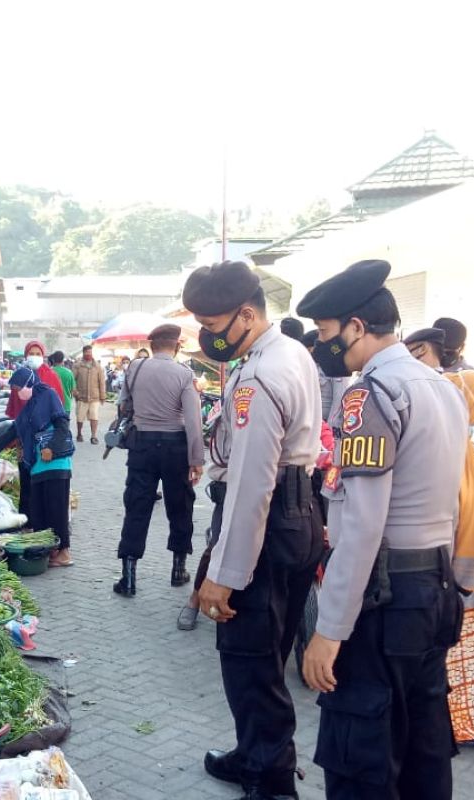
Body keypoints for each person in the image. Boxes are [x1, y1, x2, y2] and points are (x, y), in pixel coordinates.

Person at [298, 260, 468, 800]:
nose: (325, 346)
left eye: (326, 334)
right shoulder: (441, 387)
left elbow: (363, 525)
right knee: (423, 745)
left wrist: (329, 630)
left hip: (383, 600)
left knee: (362, 754)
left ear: (354, 326)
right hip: (433, 589)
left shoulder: (368, 395)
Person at [178, 263, 323, 799]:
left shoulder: (261, 374)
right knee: (268, 648)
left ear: (246, 314)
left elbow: (249, 483)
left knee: (249, 658)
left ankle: (271, 779)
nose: (208, 334)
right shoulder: (286, 353)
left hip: (266, 520)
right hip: (296, 514)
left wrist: (224, 573)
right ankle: (254, 754)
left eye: (213, 322)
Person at [406, 328, 474, 755]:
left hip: (458, 568)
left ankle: (466, 723)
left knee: (468, 645)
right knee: (460, 648)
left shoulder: (459, 444)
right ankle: (462, 724)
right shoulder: (452, 433)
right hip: (451, 570)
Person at [112, 324, 205, 596]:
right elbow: (193, 421)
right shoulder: (184, 374)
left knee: (137, 506)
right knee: (180, 507)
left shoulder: (135, 368)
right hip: (176, 448)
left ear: (152, 345)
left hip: (142, 447)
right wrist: (196, 459)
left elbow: (122, 404)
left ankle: (128, 577)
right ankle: (178, 569)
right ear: (176, 346)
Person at [0, 367, 74, 567]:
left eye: (19, 387)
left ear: (30, 382)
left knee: (56, 509)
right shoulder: (29, 407)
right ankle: (49, 549)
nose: (18, 392)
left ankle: (64, 552)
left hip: (56, 461)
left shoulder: (49, 395)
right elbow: (13, 431)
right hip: (38, 464)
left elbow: (62, 424)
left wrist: (51, 448)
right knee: (40, 510)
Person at [73, 345, 107, 444]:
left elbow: (102, 382)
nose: (89, 354)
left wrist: (103, 396)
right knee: (80, 417)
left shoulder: (97, 366)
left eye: (90, 352)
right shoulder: (77, 366)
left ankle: (93, 436)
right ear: (83, 353)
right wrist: (75, 393)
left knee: (94, 417)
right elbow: (72, 381)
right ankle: (79, 434)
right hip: (81, 397)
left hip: (94, 397)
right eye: (87, 352)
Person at [49, 351, 76, 415]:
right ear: (63, 360)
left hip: (51, 406)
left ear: (53, 359)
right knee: (64, 424)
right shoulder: (69, 373)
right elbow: (73, 391)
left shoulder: (48, 371)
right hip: (65, 405)